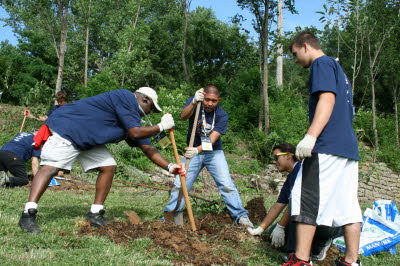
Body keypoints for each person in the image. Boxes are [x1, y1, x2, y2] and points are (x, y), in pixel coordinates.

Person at [18, 87, 184, 234]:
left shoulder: (131, 121)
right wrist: (160, 127)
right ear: (143, 99)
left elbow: (147, 147)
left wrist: (170, 167)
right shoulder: (125, 97)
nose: (149, 113)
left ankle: (95, 214)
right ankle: (28, 214)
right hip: (69, 128)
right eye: (151, 109)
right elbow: (136, 133)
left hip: (87, 139)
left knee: (108, 166)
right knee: (51, 168)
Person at [282, 31, 362, 266]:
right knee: (348, 207)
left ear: (305, 46)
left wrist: (310, 136)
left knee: (304, 197)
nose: (296, 60)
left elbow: (327, 100)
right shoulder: (340, 70)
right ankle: (351, 262)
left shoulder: (322, 63)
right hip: (347, 148)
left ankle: (301, 260)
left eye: (296, 54)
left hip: (327, 146)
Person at [163, 85, 253, 227]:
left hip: (213, 153)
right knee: (180, 184)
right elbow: (183, 116)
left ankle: (240, 216)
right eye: (207, 99)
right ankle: (170, 215)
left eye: (214, 101)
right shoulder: (196, 103)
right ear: (203, 97)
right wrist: (193, 102)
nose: (210, 103)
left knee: (226, 185)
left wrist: (197, 150)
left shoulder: (222, 115)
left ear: (219, 100)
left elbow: (212, 139)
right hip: (193, 152)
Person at [247, 143, 342, 261]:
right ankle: (308, 246)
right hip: (310, 218)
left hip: (327, 222)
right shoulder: (290, 178)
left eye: (276, 157)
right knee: (272, 232)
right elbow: (278, 205)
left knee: (295, 212)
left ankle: (303, 251)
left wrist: (281, 226)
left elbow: (296, 203)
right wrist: (260, 229)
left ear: (288, 156)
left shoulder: (303, 169)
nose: (274, 161)